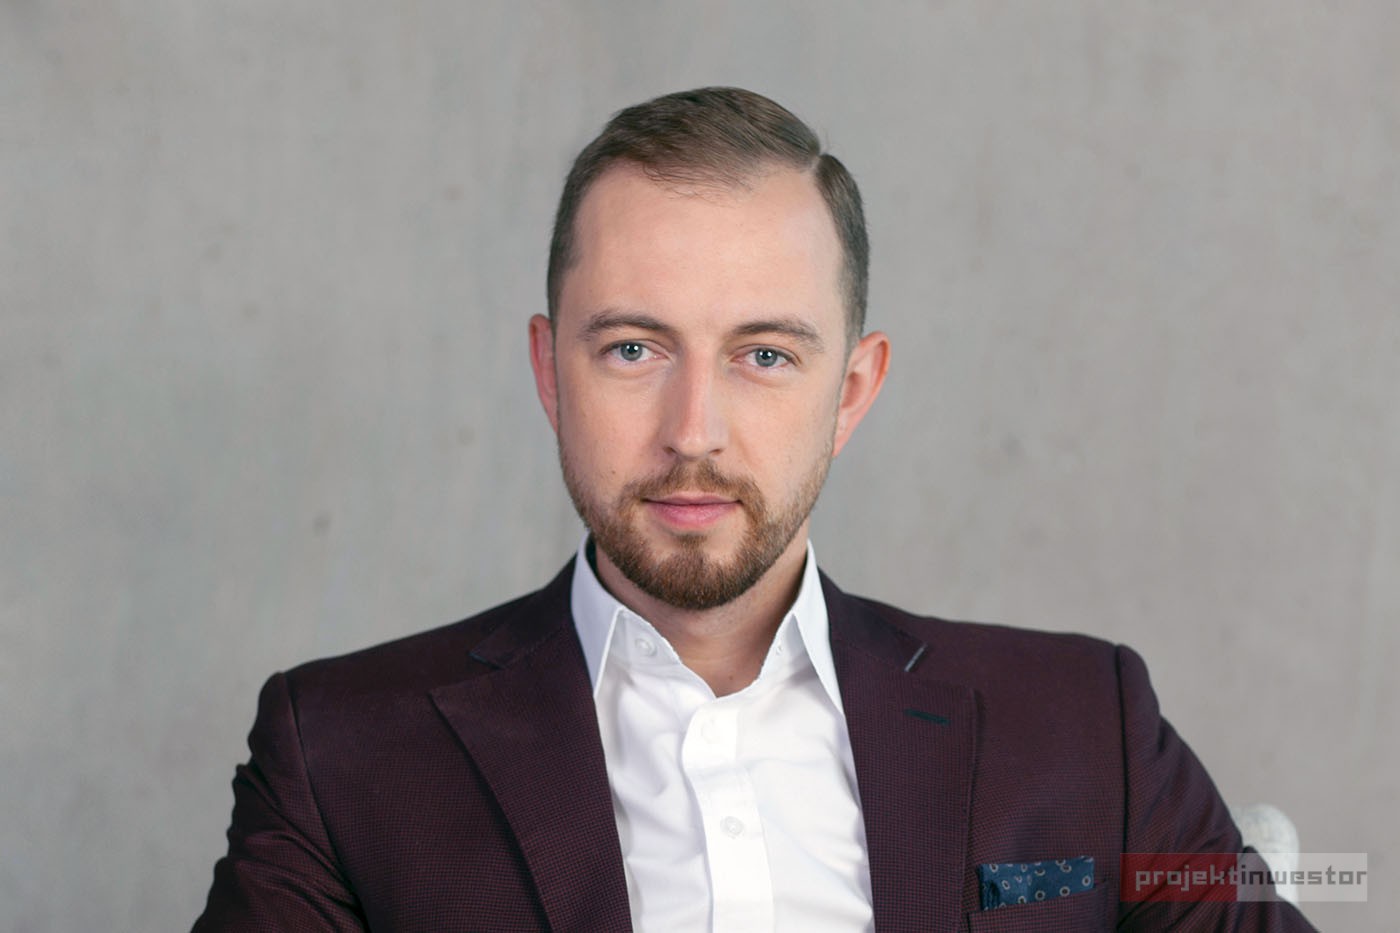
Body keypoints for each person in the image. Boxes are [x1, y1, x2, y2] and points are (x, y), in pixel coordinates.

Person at [195, 87, 1316, 931]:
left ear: (852, 392)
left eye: (765, 355)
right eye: (633, 349)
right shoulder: (338, 753)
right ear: (547, 372)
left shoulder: (1085, 726)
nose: (694, 430)